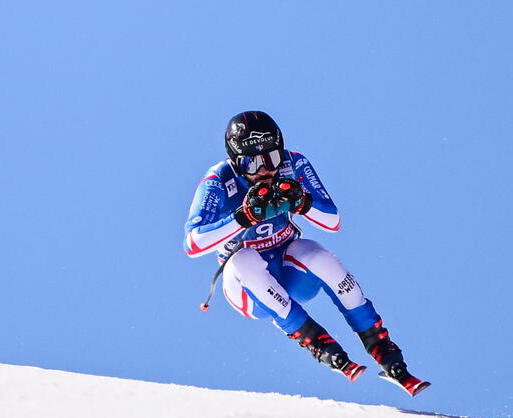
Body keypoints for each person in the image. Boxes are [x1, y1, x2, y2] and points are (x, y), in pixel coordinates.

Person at [183, 111, 429, 396]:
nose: (265, 171)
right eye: (252, 163)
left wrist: (303, 202)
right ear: (236, 163)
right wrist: (243, 217)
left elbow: (332, 221)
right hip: (247, 288)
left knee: (314, 253)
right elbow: (192, 243)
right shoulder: (218, 180)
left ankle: (380, 345)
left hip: (291, 271)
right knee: (244, 260)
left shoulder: (293, 163)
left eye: (272, 159)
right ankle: (315, 341)